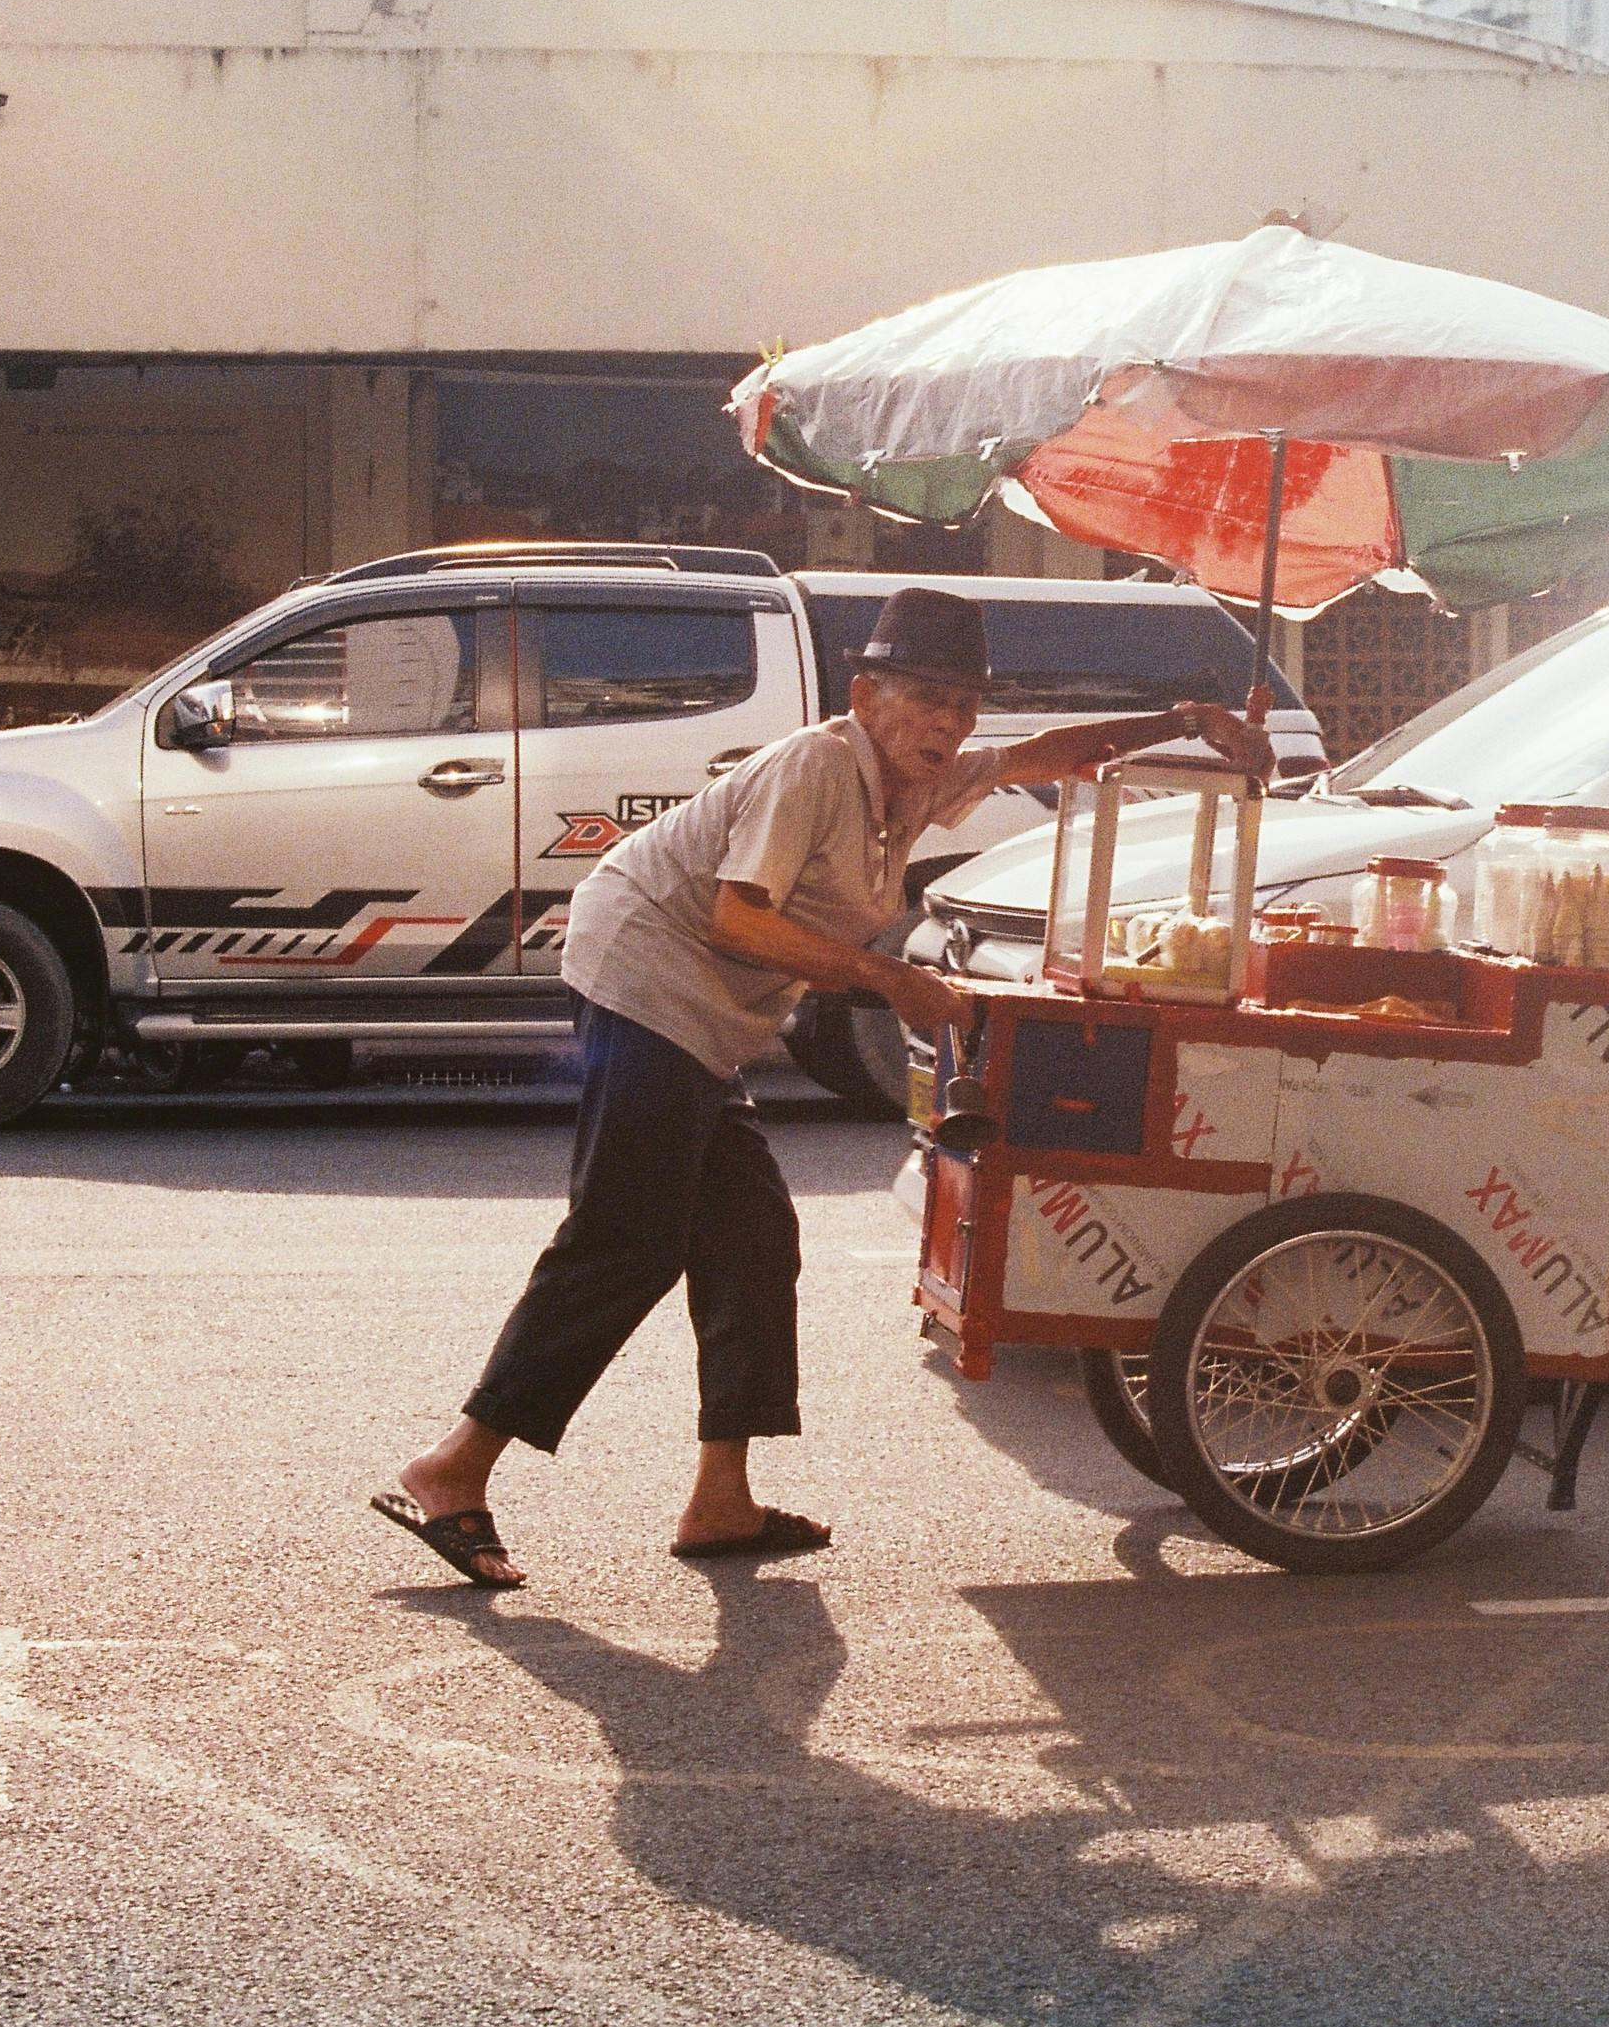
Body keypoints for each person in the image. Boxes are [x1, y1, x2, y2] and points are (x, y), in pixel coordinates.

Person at [374, 584, 1275, 1588]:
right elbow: (738, 920)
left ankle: (721, 1498)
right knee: (626, 1239)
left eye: (964, 705)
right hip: (645, 976)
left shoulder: (912, 784)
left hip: (708, 1020)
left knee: (754, 1237)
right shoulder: (814, 765)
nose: (949, 725)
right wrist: (890, 976)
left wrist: (1186, 723)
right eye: (926, 699)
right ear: (863, 694)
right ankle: (452, 1467)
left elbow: (1043, 756)